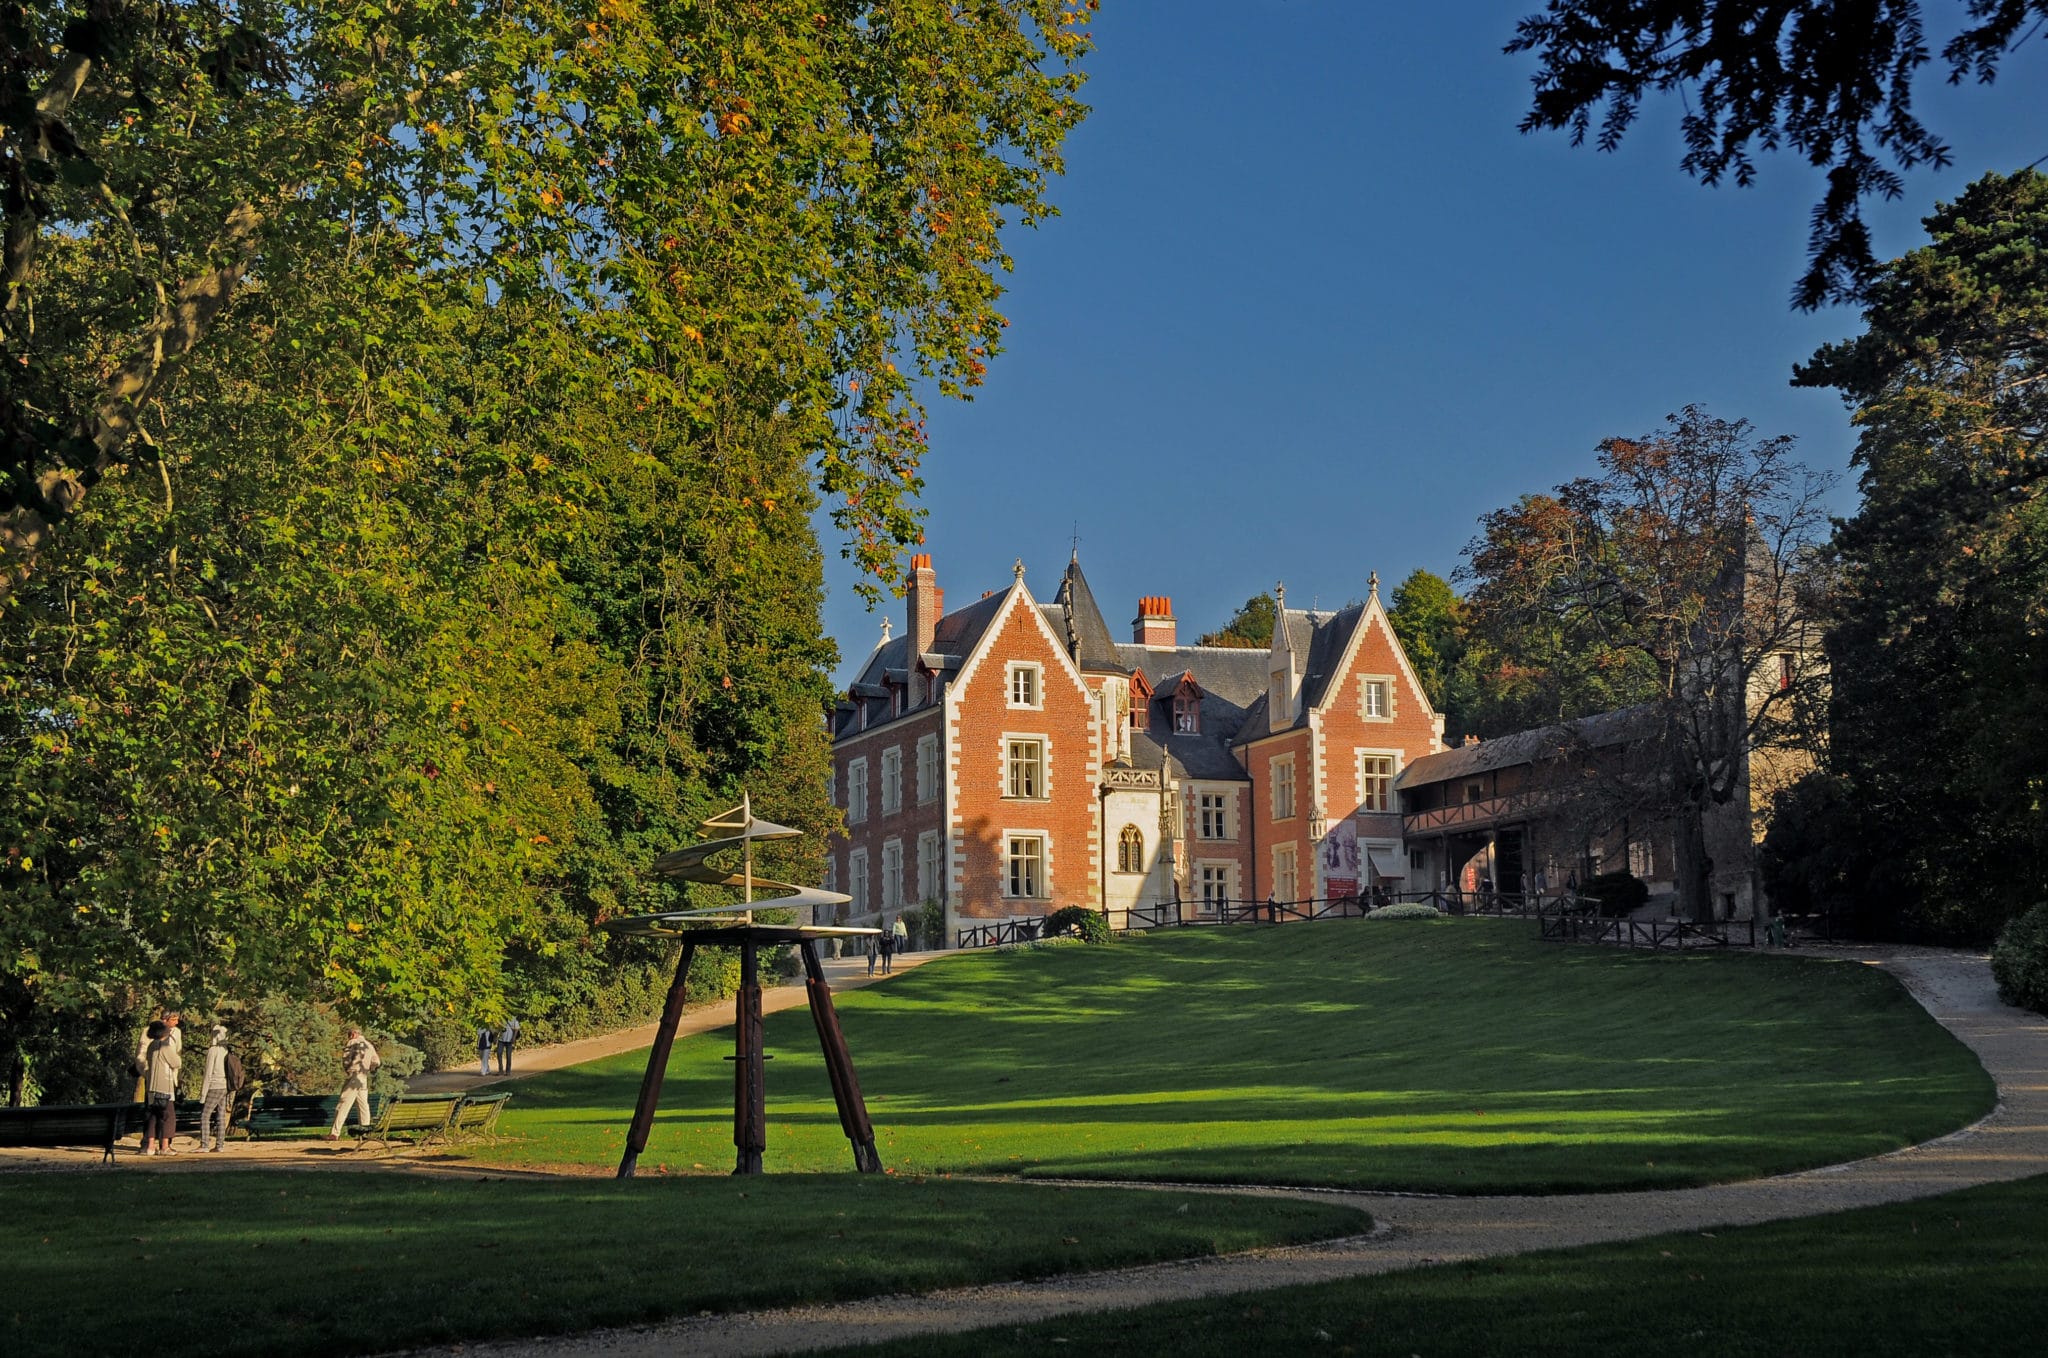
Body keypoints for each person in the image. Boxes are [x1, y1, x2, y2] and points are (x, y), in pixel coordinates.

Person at [327, 1027, 379, 1140]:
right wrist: (369, 1068)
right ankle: (365, 1132)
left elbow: (346, 1058)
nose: (348, 1036)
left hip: (354, 1075)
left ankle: (334, 1133)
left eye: (349, 1034)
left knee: (343, 1103)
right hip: (363, 1077)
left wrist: (348, 1068)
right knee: (363, 1106)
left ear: (354, 1034)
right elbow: (376, 1061)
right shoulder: (369, 1045)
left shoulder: (353, 1042)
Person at [198, 1025, 243, 1152]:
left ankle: (204, 1144)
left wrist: (203, 1094)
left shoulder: (213, 1051)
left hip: (214, 1086)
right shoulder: (227, 1050)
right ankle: (220, 1145)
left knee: (205, 1115)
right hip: (225, 1086)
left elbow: (208, 1073)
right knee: (221, 1116)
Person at [143, 1016, 182, 1155]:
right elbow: (176, 1062)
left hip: (151, 1087)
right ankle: (165, 1146)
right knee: (167, 1116)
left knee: (153, 1116)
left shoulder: (151, 1046)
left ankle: (150, 1145)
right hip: (164, 1085)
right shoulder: (165, 1046)